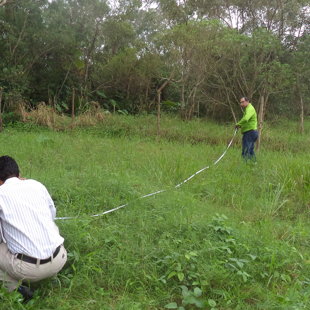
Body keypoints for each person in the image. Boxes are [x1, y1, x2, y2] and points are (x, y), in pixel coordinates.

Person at [0, 155, 67, 302]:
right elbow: (52, 215)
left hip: (28, 269)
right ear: (19, 173)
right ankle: (51, 276)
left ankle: (16, 291)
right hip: (60, 258)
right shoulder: (37, 185)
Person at [235, 97, 259, 161]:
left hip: (250, 132)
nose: (241, 104)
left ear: (247, 101)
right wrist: (240, 126)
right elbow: (247, 121)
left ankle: (245, 165)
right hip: (251, 132)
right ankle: (253, 164)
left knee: (245, 151)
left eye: (242, 102)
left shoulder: (250, 108)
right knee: (250, 151)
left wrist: (238, 124)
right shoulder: (247, 109)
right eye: (240, 102)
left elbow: (246, 119)